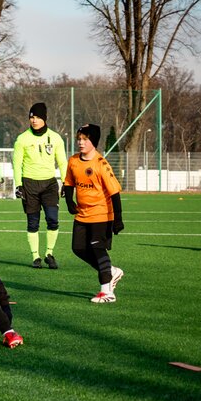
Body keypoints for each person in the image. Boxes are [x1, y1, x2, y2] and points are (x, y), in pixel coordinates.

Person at [61, 124, 125, 304]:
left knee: (98, 249)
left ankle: (107, 292)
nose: (81, 143)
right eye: (79, 139)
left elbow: (114, 192)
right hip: (82, 214)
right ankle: (110, 271)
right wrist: (69, 201)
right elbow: (68, 183)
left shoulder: (101, 164)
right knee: (78, 248)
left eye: (85, 139)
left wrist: (118, 219)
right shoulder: (73, 161)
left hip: (101, 214)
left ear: (94, 142)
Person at [12, 102, 68, 269]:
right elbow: (17, 164)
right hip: (29, 184)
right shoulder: (22, 139)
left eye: (37, 117)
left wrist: (66, 182)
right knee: (33, 223)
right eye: (32, 117)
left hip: (50, 184)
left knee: (53, 219)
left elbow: (62, 162)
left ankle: (49, 253)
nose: (34, 120)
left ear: (45, 118)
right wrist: (19, 185)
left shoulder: (56, 138)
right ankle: (35, 257)